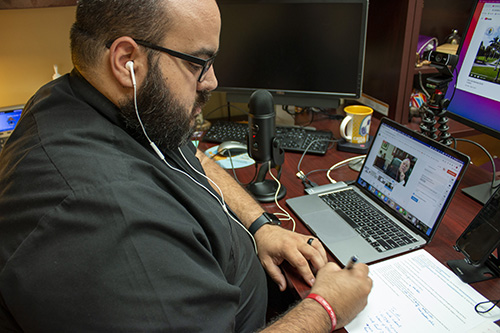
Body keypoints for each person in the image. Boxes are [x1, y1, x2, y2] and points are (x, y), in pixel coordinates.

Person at [0, 0, 372, 331]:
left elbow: (191, 154)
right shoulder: (109, 221)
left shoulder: (99, 99)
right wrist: (326, 306)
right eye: (200, 62)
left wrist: (259, 226)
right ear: (126, 61)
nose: (212, 80)